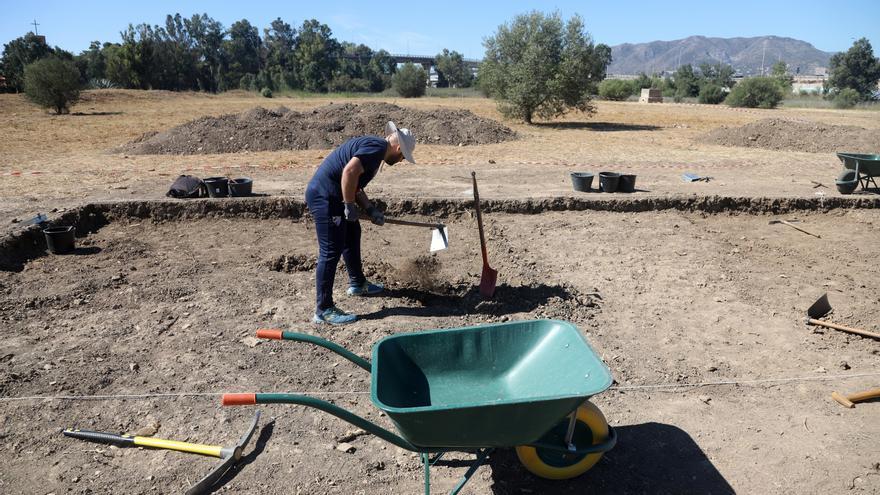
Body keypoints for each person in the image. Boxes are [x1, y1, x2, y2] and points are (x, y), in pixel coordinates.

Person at [304, 121, 416, 325]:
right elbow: (349, 172)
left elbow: (354, 184)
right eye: (402, 157)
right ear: (399, 149)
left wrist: (370, 208)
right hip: (325, 197)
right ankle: (323, 310)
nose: (400, 161)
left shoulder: (375, 148)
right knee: (330, 251)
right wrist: (348, 205)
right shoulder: (375, 149)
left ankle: (358, 283)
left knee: (352, 232)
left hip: (332, 195)